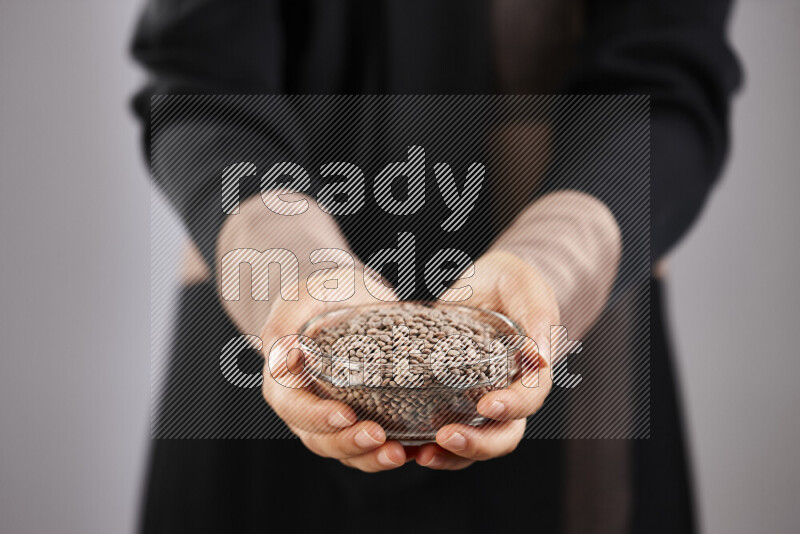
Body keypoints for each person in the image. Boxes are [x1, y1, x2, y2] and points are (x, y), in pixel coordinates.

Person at [132, 1, 740, 532]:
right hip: (270, 315)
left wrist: (555, 256)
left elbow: (669, 73)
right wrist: (293, 264)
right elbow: (199, 75)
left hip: (573, 321)